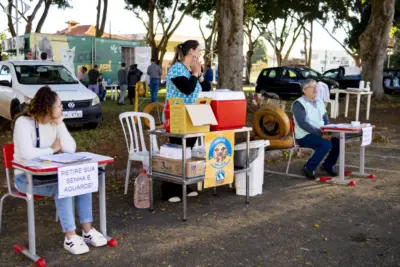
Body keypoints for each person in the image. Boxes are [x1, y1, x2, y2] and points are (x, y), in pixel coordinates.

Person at [13, 86, 107, 255]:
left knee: (81, 181)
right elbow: (27, 155)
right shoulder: (23, 123)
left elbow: (71, 148)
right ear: (48, 107)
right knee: (63, 186)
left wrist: (60, 122)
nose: (62, 107)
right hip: (25, 178)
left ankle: (87, 231)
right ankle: (70, 237)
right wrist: (52, 149)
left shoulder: (54, 123)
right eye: (59, 105)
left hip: (51, 175)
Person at [162, 40, 203, 202]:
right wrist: (194, 75)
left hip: (191, 117)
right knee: (176, 152)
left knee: (187, 153)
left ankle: (182, 185)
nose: (200, 54)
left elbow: (203, 87)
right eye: (198, 50)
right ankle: (168, 190)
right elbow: (186, 89)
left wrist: (198, 75)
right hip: (176, 117)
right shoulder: (177, 69)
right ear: (192, 51)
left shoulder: (190, 69)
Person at [292, 79, 340, 180]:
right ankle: (308, 167)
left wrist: (328, 130)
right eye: (312, 86)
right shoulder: (299, 104)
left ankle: (327, 165)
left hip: (320, 133)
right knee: (326, 144)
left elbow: (325, 117)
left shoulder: (319, 101)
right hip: (304, 136)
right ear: (304, 90)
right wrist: (321, 134)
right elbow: (303, 123)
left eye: (316, 86)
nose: (315, 89)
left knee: (336, 140)